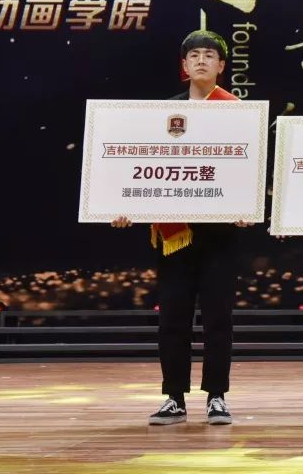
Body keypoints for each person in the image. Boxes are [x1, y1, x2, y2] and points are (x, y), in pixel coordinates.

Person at [111, 29, 252, 426]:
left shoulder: (239, 112)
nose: (201, 60)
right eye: (194, 55)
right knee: (173, 319)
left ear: (221, 66)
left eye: (209, 55)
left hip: (220, 234)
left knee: (218, 319)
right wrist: (124, 206)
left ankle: (217, 396)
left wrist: (248, 205)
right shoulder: (163, 113)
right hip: (175, 234)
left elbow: (249, 168)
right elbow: (140, 166)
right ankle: (173, 397)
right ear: (184, 65)